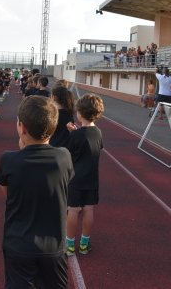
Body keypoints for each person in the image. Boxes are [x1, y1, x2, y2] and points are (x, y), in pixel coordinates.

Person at [0, 95, 73, 289]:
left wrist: (22, 149)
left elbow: (8, 193)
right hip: (53, 246)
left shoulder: (8, 160)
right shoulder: (63, 156)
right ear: (53, 127)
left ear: (22, 127)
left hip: (19, 244)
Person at [65, 94, 104, 257]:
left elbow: (69, 153)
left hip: (75, 178)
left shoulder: (75, 135)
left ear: (80, 113)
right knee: (89, 210)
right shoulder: (98, 132)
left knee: (73, 210)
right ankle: (84, 244)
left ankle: (69, 246)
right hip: (92, 178)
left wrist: (72, 133)